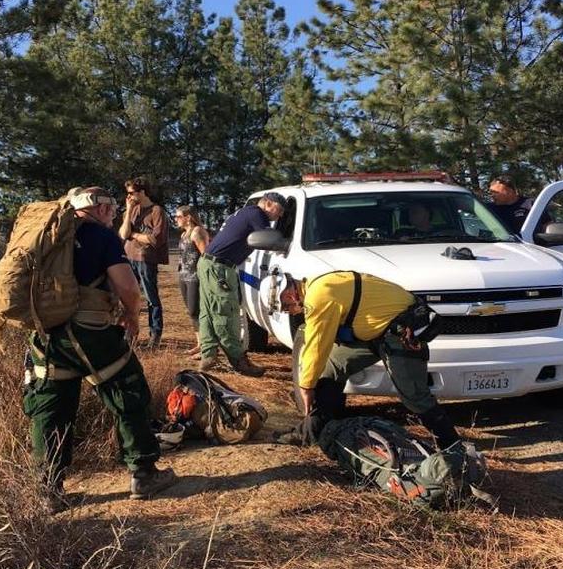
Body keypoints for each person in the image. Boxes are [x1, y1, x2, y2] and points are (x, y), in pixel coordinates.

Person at [22, 186, 175, 511]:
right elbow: (128, 287)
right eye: (113, 208)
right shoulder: (100, 236)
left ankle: (49, 490)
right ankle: (144, 473)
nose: (116, 213)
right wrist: (133, 318)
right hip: (90, 332)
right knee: (128, 390)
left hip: (47, 336)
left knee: (51, 408)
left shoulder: (44, 235)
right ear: (100, 208)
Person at [264, 271, 461, 450]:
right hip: (374, 334)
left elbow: (317, 346)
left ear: (290, 296)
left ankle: (451, 446)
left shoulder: (318, 297)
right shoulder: (319, 284)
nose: (289, 312)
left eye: (285, 308)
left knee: (415, 396)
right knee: (332, 368)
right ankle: (312, 432)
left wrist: (306, 386)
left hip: (399, 332)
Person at [197, 192, 285, 377]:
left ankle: (209, 356)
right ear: (268, 204)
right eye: (280, 209)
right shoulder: (257, 214)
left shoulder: (246, 212)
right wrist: (287, 243)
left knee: (208, 311)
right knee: (225, 313)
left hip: (208, 263)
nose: (281, 215)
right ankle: (239, 361)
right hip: (219, 268)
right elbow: (269, 238)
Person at [119, 176, 168, 349]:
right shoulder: (131, 210)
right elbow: (123, 234)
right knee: (128, 297)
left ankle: (155, 334)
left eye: (131, 193)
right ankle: (129, 333)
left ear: (142, 192)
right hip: (129, 258)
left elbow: (156, 240)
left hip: (146, 260)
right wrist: (128, 210)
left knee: (151, 298)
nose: (129, 197)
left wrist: (135, 235)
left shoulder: (157, 211)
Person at [173, 205, 209, 358]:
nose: (176, 219)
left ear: (188, 217)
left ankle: (206, 347)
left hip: (195, 277)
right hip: (184, 276)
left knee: (197, 310)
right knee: (191, 311)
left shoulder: (197, 232)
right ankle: (200, 344)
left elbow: (206, 255)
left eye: (179, 216)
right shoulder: (184, 234)